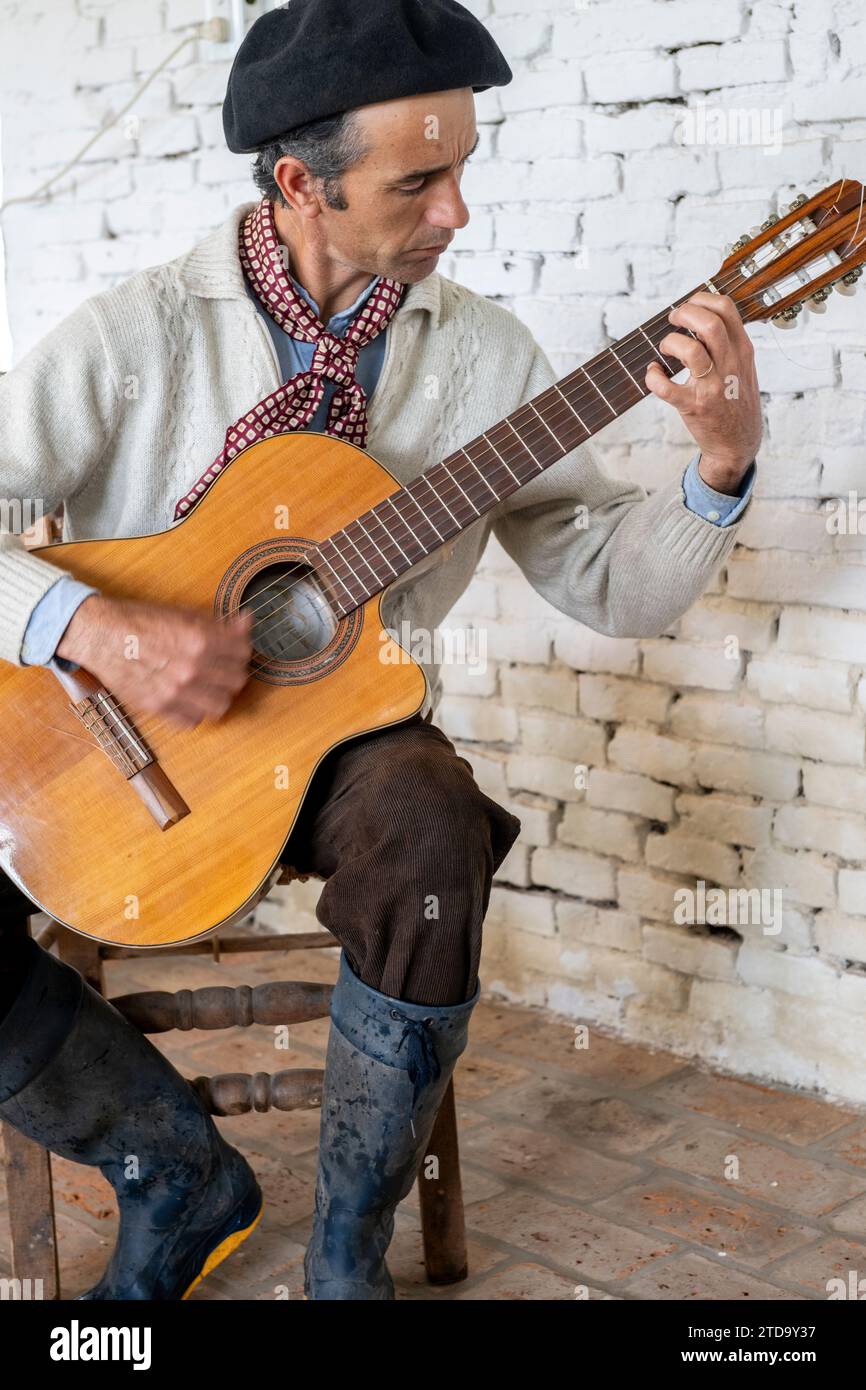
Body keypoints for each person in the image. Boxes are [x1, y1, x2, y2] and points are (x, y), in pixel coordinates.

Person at [0, 0, 761, 1300]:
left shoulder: (486, 362)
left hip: (343, 738)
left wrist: (718, 463)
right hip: (114, 735)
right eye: (420, 180)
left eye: (464, 167)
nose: (457, 211)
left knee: (431, 834)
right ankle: (168, 1166)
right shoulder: (137, 333)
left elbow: (600, 577)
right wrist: (102, 625)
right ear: (302, 184)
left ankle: (348, 1244)